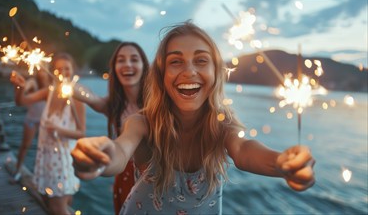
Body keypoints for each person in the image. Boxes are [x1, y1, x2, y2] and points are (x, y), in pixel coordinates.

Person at [71, 22, 315, 214]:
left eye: (201, 60)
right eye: (176, 62)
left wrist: (281, 163)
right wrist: (101, 156)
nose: (189, 71)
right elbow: (120, 152)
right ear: (160, 76)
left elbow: (243, 150)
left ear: (216, 73)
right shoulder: (142, 122)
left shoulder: (222, 123)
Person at [72, 42, 149, 214]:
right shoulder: (114, 105)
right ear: (114, 68)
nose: (127, 64)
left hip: (154, 179)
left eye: (134, 59)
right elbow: (92, 98)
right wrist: (76, 89)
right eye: (121, 60)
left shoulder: (157, 105)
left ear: (144, 66)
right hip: (122, 173)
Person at [10, 53, 86, 215]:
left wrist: (58, 130)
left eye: (67, 68)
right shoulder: (48, 92)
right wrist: (20, 88)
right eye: (58, 69)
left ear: (73, 71)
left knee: (56, 209)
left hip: (63, 164)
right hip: (45, 160)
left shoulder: (77, 97)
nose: (63, 72)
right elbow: (21, 102)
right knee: (48, 201)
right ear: (52, 72)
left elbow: (81, 133)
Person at [10, 69, 50, 183]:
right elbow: (23, 92)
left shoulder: (53, 85)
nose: (43, 73)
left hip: (46, 122)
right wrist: (20, 87)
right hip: (32, 119)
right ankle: (17, 172)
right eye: (41, 70)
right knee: (25, 146)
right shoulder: (33, 82)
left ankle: (42, 176)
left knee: (46, 149)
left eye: (45, 69)